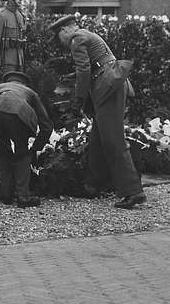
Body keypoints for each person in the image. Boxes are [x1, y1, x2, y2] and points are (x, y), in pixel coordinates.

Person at [49, 14, 146, 209]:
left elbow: (84, 71)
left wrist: (78, 100)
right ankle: (93, 185)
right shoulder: (87, 35)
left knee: (113, 140)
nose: (61, 43)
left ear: (64, 30)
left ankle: (133, 191)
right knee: (98, 139)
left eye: (58, 37)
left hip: (108, 86)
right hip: (113, 82)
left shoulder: (77, 39)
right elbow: (92, 66)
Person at [0, 69, 53, 207]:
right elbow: (46, 125)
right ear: (24, 84)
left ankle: (6, 194)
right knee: (22, 152)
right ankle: (23, 197)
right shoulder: (30, 92)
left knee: (1, 149)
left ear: (6, 82)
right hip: (16, 111)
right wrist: (35, 149)